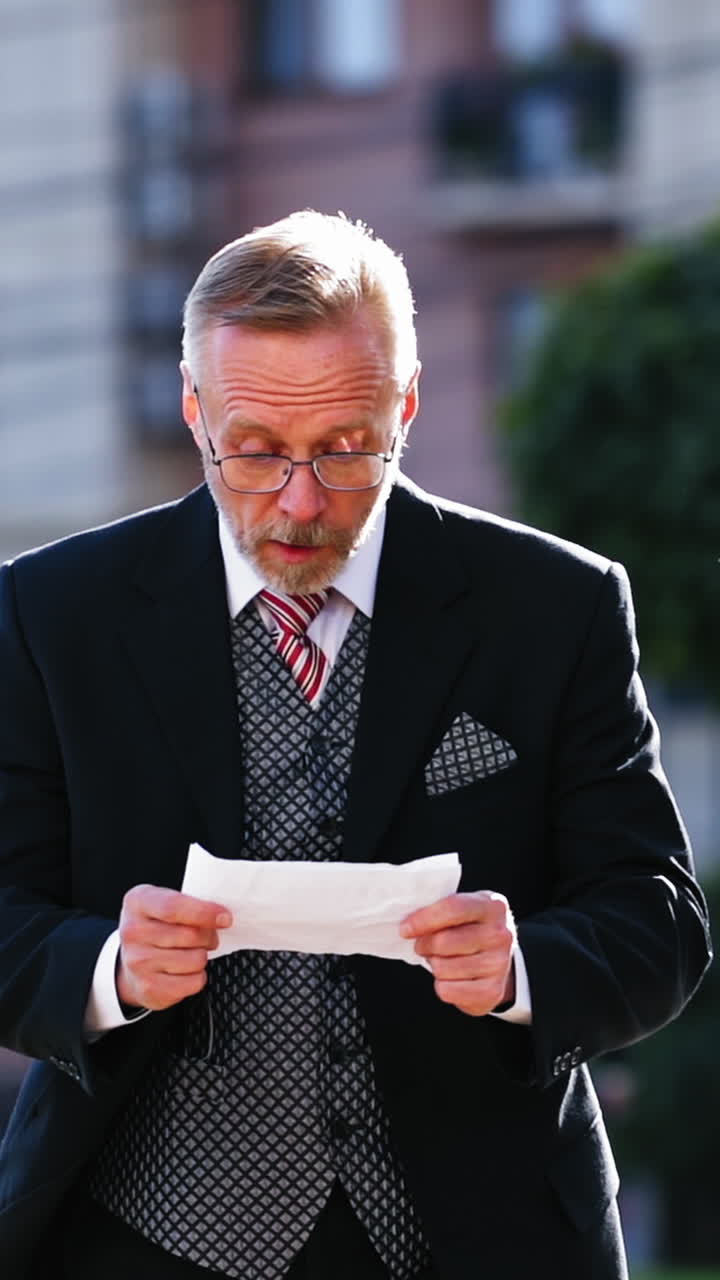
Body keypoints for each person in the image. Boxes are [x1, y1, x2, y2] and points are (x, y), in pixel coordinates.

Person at [0, 211, 711, 1280]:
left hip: (482, 1237)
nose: (300, 502)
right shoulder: (50, 612)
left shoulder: (556, 607)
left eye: (344, 448)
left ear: (406, 404)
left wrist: (520, 967)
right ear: (194, 408)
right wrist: (106, 966)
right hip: (135, 1237)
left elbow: (659, 922)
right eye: (255, 451)